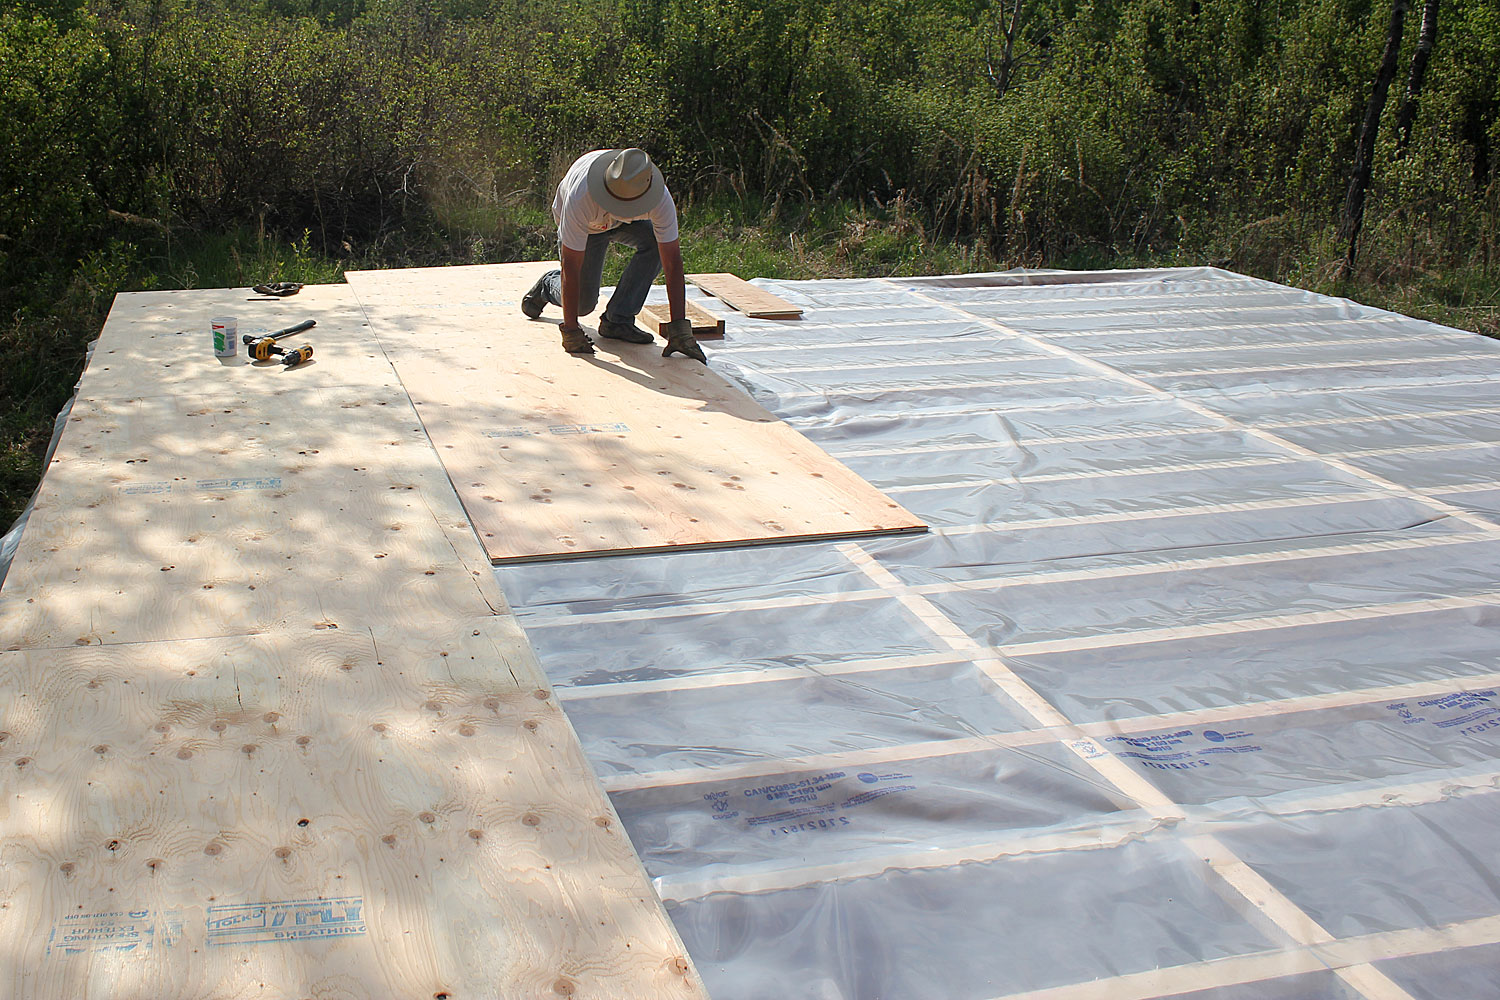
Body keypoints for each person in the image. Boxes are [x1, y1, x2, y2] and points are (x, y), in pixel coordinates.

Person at [521, 148, 705, 363]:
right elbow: (571, 266)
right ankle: (547, 285)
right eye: (620, 205)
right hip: (589, 226)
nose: (625, 209)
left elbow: (672, 261)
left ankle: (617, 320)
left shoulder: (658, 197)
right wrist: (571, 330)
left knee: (656, 243)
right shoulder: (581, 197)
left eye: (631, 206)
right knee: (582, 304)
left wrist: (680, 329)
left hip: (612, 218)